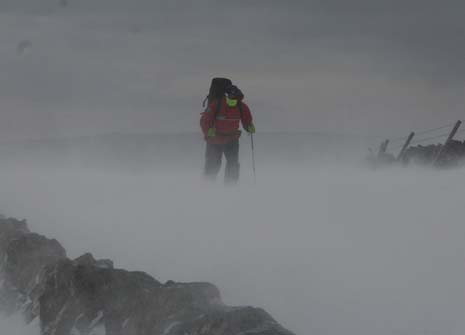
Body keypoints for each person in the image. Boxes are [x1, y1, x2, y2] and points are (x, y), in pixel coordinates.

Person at [200, 85, 255, 184]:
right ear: (226, 96)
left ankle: (230, 186)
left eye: (236, 100)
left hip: (232, 139)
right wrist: (207, 131)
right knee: (213, 164)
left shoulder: (241, 106)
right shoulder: (216, 105)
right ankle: (207, 186)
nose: (234, 102)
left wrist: (249, 127)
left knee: (233, 164)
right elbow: (205, 120)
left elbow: (247, 120)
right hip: (215, 139)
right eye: (232, 99)